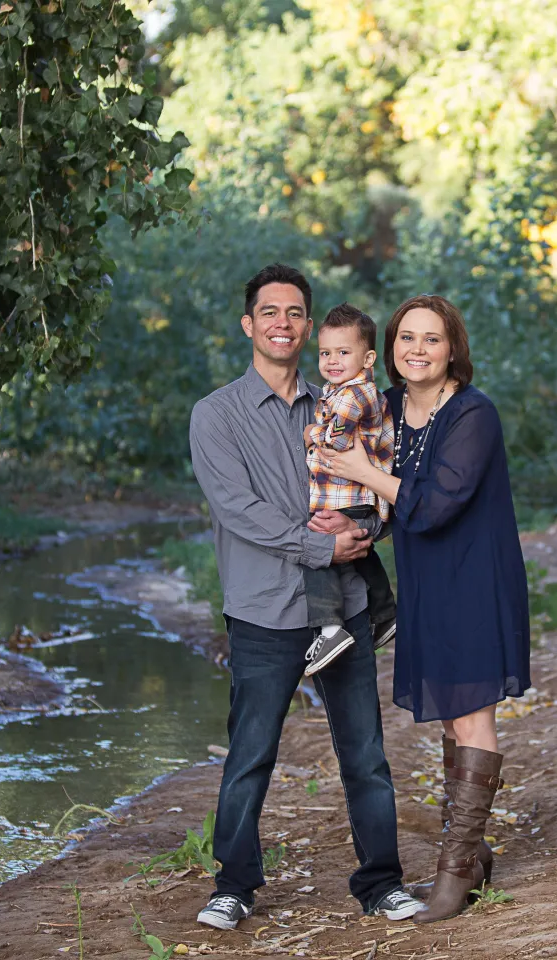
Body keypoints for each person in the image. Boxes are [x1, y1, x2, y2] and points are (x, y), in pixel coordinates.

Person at [188, 264, 424, 930]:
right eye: (270, 312)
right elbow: (239, 510)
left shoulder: (342, 400)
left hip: (343, 608)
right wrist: (322, 546)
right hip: (263, 612)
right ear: (248, 324)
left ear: (310, 326)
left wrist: (367, 528)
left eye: (295, 313)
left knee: (366, 755)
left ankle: (381, 884)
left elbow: (379, 476)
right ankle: (233, 886)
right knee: (251, 754)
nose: (282, 324)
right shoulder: (216, 415)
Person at [318, 293, 531, 923]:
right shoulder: (385, 407)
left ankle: (455, 870)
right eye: (405, 338)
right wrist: (346, 514)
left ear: (452, 348)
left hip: (474, 581)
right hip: (425, 584)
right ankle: (472, 849)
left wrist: (362, 469)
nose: (416, 349)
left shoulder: (473, 414)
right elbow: (379, 497)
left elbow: (435, 504)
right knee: (448, 719)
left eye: (430, 339)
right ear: (389, 349)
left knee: (470, 718)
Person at [300, 302, 398, 676]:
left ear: (368, 357)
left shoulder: (356, 394)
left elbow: (337, 438)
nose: (332, 360)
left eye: (343, 352)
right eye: (326, 353)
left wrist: (312, 435)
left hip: (353, 495)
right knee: (357, 553)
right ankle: (387, 613)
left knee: (317, 548)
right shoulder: (339, 390)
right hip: (349, 496)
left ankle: (329, 629)